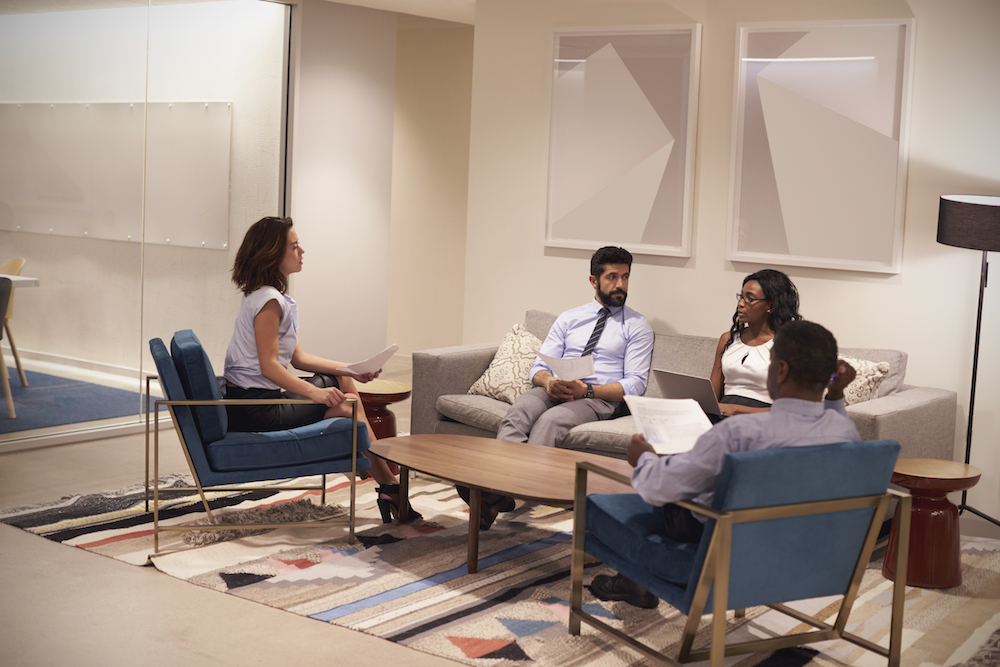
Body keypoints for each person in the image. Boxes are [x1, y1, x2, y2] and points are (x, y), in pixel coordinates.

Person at [590, 320, 859, 609]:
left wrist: (643, 459)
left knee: (652, 490)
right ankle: (635, 580)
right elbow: (832, 415)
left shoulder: (740, 433)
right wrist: (834, 391)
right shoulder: (845, 433)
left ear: (780, 370)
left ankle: (635, 577)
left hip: (728, 549)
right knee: (694, 474)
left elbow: (657, 490)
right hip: (805, 553)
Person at [222, 216, 419, 524]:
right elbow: (270, 366)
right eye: (294, 246)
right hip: (255, 407)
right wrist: (315, 393)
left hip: (256, 398)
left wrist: (351, 370)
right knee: (348, 403)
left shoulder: (268, 296)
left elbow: (298, 358)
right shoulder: (269, 302)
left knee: (340, 379)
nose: (302, 251)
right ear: (274, 253)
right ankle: (386, 479)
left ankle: (385, 481)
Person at [468, 247, 654, 529]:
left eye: (625, 277)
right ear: (593, 281)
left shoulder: (637, 326)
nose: (620, 285)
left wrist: (587, 391)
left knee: (550, 421)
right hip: (556, 388)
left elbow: (635, 384)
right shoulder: (569, 318)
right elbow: (537, 368)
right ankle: (500, 486)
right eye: (613, 277)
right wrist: (549, 382)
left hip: (597, 398)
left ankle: (509, 496)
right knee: (518, 412)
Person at [709, 269, 801, 416]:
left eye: (750, 298)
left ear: (770, 306)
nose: (740, 304)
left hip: (764, 418)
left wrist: (736, 409)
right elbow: (713, 391)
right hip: (723, 415)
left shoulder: (789, 345)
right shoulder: (728, 339)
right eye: (741, 296)